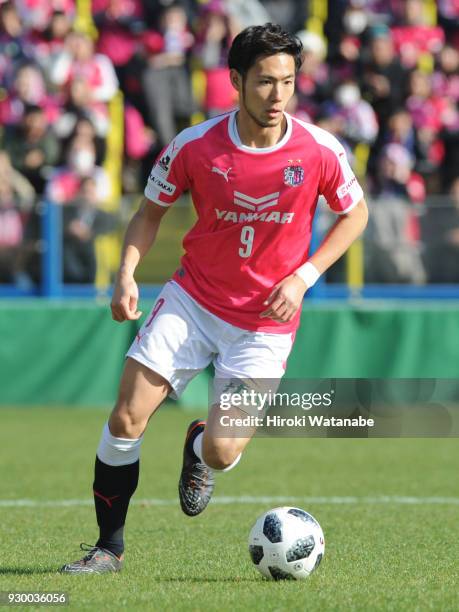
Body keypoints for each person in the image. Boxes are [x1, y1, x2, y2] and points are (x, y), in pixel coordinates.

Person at [61, 23, 368, 574]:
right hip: (193, 302)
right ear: (235, 81)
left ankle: (199, 445)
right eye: (265, 82)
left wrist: (304, 277)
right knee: (127, 416)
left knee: (224, 453)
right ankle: (108, 547)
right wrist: (127, 272)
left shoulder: (318, 148)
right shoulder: (195, 146)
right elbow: (147, 215)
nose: (278, 96)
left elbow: (356, 213)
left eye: (288, 82)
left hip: (265, 324)